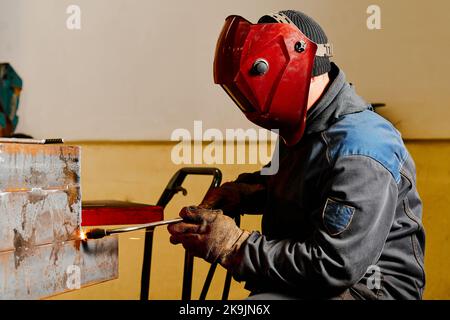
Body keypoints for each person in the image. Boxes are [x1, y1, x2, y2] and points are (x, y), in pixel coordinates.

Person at [168, 10, 425, 300]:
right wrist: (244, 192)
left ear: (294, 67)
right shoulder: (304, 124)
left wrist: (234, 245)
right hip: (319, 281)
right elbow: (303, 187)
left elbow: (334, 265)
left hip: (369, 290)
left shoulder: (360, 149)